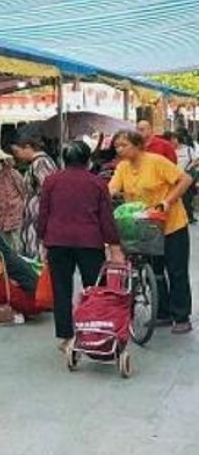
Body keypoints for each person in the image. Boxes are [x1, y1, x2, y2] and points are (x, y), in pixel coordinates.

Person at [37, 141, 124, 351]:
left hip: (57, 241)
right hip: (90, 242)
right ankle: (93, 332)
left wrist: (42, 239)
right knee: (94, 289)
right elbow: (106, 218)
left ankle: (66, 338)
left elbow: (43, 214)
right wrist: (114, 245)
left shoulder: (51, 181)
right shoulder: (97, 183)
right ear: (87, 160)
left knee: (61, 290)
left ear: (63, 160)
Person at [109, 129, 194, 334]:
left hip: (172, 224)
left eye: (124, 145)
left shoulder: (156, 161)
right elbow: (112, 188)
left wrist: (167, 201)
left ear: (137, 145)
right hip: (144, 227)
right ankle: (163, 312)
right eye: (117, 146)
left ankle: (181, 316)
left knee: (176, 271)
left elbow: (185, 180)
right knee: (155, 272)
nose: (120, 149)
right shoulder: (122, 167)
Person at [11, 135, 59, 259]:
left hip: (39, 217)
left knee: (38, 252)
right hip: (35, 216)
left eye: (17, 151)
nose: (17, 156)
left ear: (27, 147)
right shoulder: (37, 163)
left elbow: (48, 190)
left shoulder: (41, 162)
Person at [172, 129, 197, 223]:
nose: (172, 141)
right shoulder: (172, 150)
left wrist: (188, 168)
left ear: (178, 139)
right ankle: (183, 216)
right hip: (176, 176)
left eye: (174, 139)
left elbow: (196, 160)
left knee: (187, 197)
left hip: (187, 176)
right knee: (179, 197)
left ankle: (188, 216)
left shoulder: (188, 149)